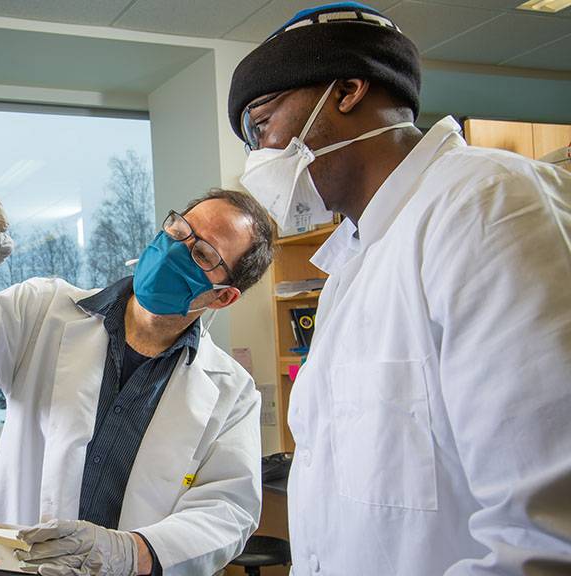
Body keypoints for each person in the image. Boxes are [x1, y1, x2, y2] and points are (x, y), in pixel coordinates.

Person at [226, 3, 571, 575]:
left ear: (348, 90)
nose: (259, 156)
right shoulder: (355, 264)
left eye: (262, 125)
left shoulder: (487, 205)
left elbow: (546, 536)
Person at [0, 190, 273, 575]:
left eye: (202, 254)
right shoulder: (42, 311)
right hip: (12, 568)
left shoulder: (231, 391)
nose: (176, 250)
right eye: (179, 230)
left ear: (222, 297)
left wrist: (130, 552)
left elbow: (229, 510)